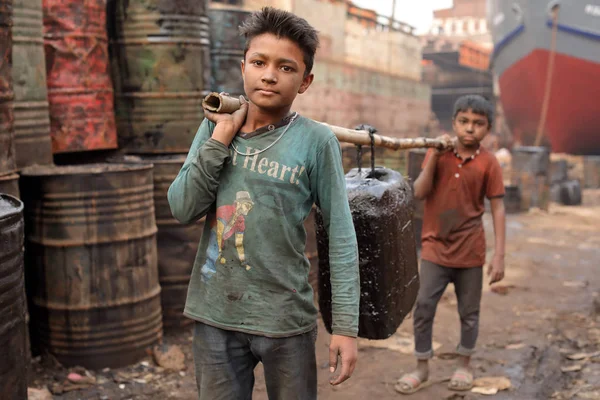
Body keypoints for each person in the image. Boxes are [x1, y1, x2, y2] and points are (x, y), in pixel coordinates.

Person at [167, 7, 360, 400]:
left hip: (284, 318)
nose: (269, 74)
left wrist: (345, 326)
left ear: (305, 81)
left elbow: (340, 235)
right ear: (243, 67)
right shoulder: (216, 125)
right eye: (259, 62)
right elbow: (182, 208)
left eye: (286, 68)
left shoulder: (316, 142)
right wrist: (220, 137)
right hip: (215, 313)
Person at [396, 95, 506, 394]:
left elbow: (497, 208)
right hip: (434, 247)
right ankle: (421, 367)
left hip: (470, 251)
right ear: (454, 123)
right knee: (423, 307)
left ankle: (464, 364)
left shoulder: (489, 163)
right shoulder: (440, 154)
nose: (470, 129)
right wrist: (433, 153)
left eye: (478, 124)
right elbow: (419, 192)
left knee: (469, 312)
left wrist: (499, 256)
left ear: (488, 129)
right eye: (464, 122)